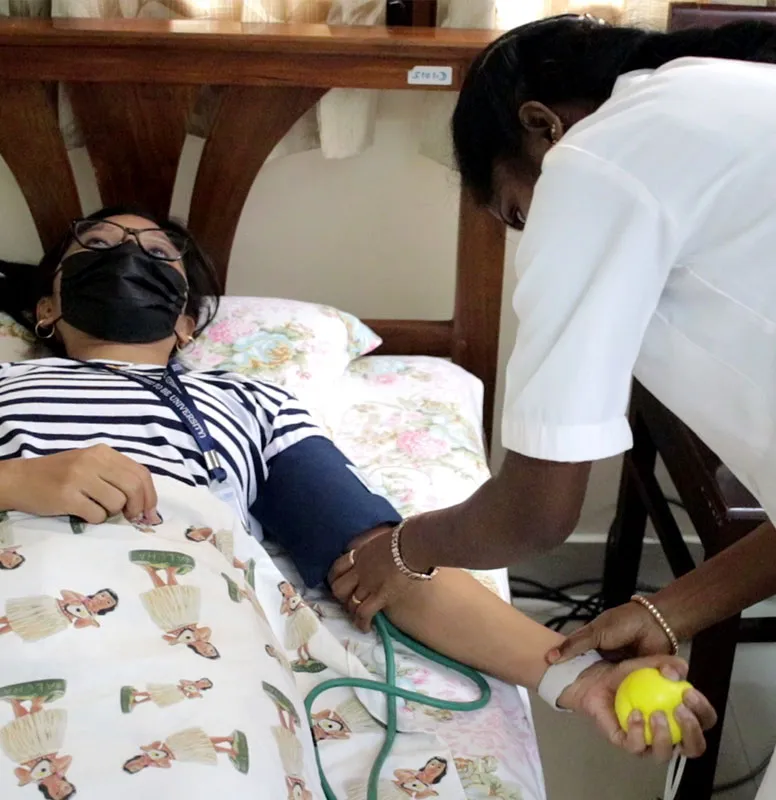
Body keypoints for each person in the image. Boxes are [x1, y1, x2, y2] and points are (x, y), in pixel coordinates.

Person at [0, 206, 715, 762]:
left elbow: (384, 563)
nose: (128, 256)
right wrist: (18, 481)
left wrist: (577, 677)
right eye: (97, 246)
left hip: (188, 646)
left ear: (187, 321)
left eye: (158, 254)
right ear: (45, 308)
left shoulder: (251, 403)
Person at [328, 11, 776, 787]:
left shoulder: (597, 158)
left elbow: (536, 513)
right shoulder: (727, 102)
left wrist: (405, 549)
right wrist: (668, 611)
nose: (532, 236)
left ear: (540, 126)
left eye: (517, 214)